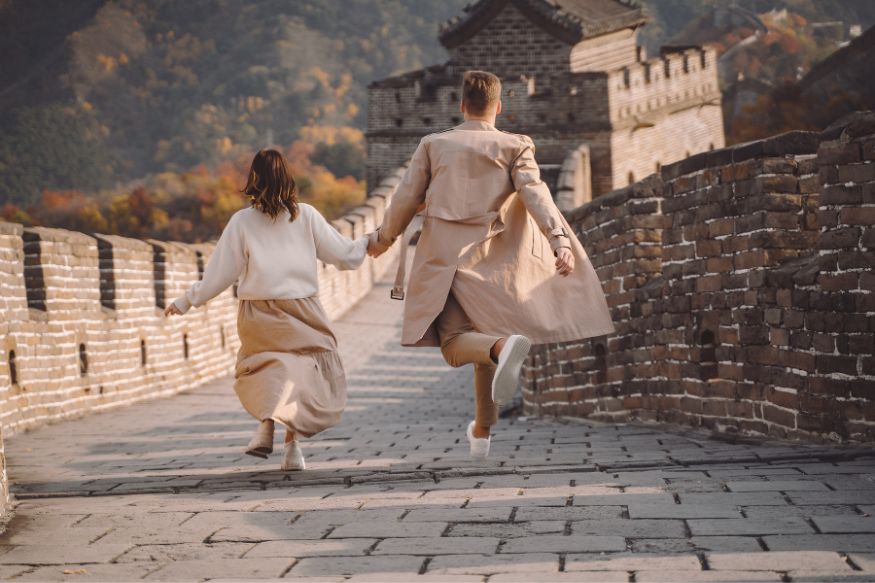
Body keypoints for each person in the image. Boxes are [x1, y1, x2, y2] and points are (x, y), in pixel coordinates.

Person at [367, 70, 615, 460]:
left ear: (462, 105)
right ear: (499, 107)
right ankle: (482, 435)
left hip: (444, 262)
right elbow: (536, 193)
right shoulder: (515, 145)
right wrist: (559, 239)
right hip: (493, 264)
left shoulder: (433, 145)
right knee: (483, 345)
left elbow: (403, 200)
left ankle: (503, 348)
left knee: (455, 346)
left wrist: (381, 241)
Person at [166, 149, 368, 471]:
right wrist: (371, 241)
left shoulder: (241, 222)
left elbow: (221, 273)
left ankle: (266, 423)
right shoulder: (307, 216)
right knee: (304, 371)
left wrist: (186, 300)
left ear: (254, 180)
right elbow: (344, 256)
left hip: (257, 312)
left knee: (268, 367)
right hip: (302, 309)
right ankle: (293, 448)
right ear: (288, 177)